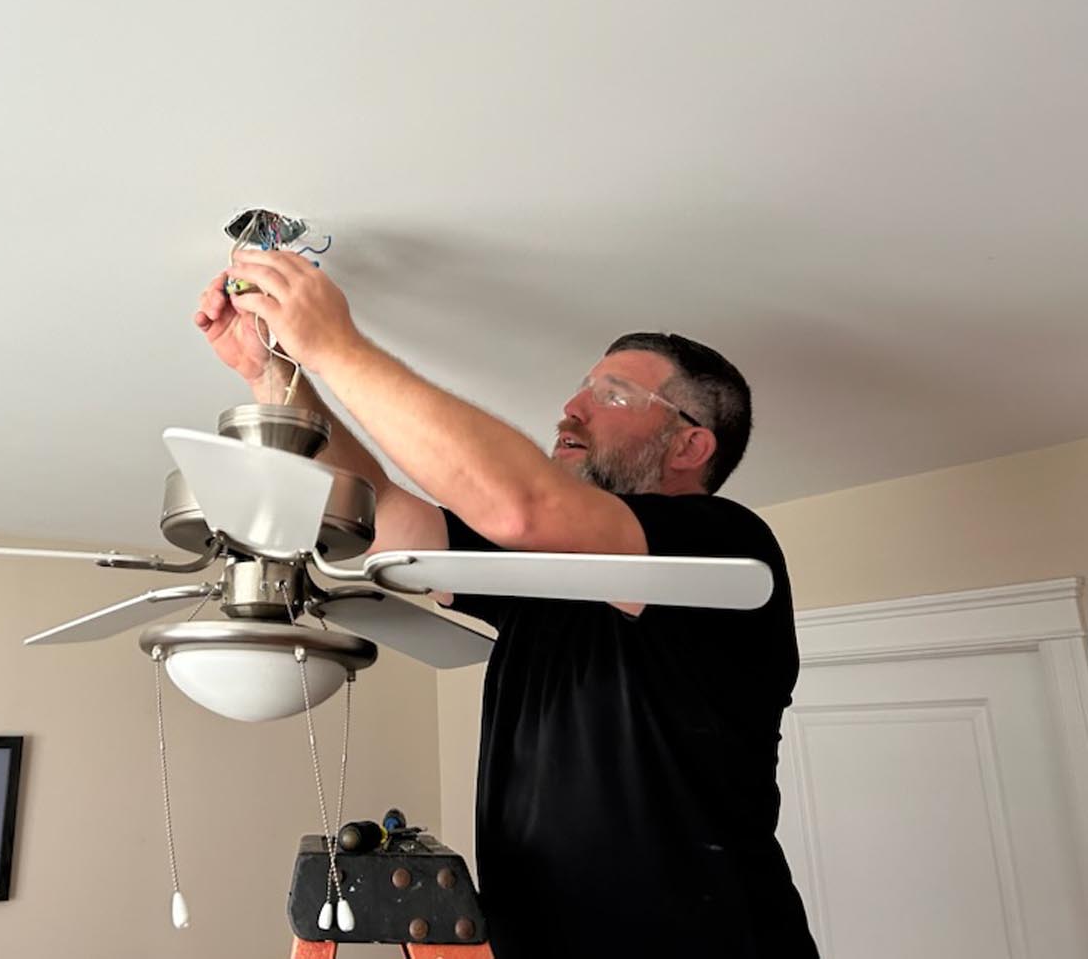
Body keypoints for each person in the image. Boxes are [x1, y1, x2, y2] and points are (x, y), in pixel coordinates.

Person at [194, 249, 818, 958]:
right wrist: (275, 376)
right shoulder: (544, 580)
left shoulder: (724, 548)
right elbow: (386, 517)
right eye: (582, 388)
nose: (571, 407)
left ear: (690, 444)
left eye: (613, 395)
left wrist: (334, 345)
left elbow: (520, 506)